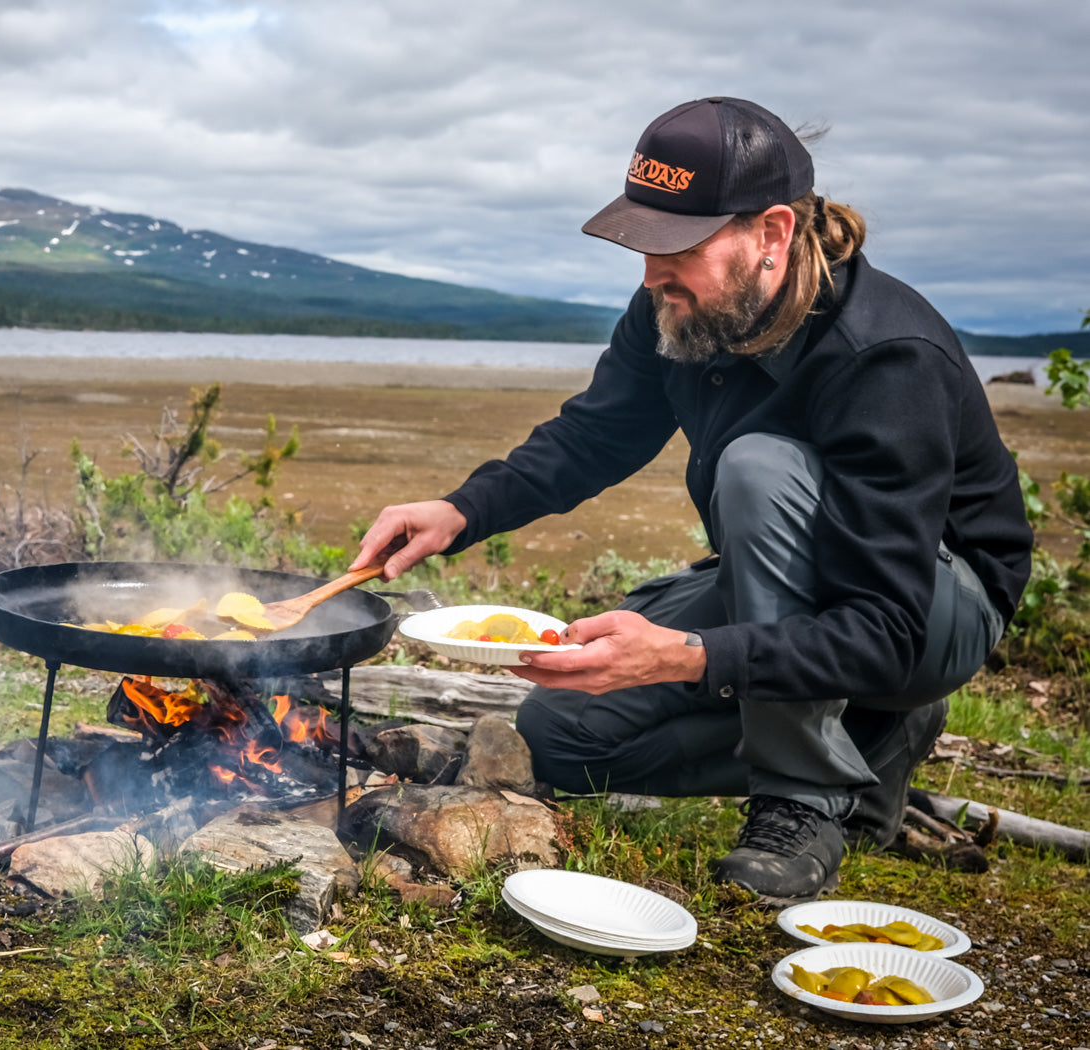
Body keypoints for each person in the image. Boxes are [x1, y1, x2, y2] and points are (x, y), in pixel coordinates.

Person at [349, 97, 1033, 904]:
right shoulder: (677, 308)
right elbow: (593, 438)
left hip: (927, 615)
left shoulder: (885, 359)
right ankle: (872, 737)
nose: (651, 273)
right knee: (559, 735)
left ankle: (800, 805)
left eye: (678, 246)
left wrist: (686, 655)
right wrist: (460, 511)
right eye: (641, 242)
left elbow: (883, 628)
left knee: (757, 467)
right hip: (803, 597)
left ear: (771, 234)